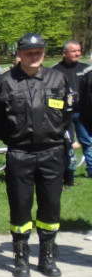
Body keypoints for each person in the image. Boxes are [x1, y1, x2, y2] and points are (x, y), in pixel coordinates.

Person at [0, 33, 72, 277]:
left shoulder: (58, 78)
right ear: (19, 54)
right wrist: (14, 138)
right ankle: (21, 257)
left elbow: (67, 114)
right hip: (20, 153)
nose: (35, 56)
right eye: (29, 52)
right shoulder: (5, 82)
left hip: (52, 152)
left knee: (51, 206)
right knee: (20, 205)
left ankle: (47, 257)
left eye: (39, 52)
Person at [53, 40, 92, 184]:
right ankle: (69, 174)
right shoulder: (55, 70)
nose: (77, 54)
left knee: (88, 141)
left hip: (83, 113)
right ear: (65, 53)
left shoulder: (87, 69)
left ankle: (91, 170)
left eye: (79, 51)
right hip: (63, 114)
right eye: (74, 51)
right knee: (66, 143)